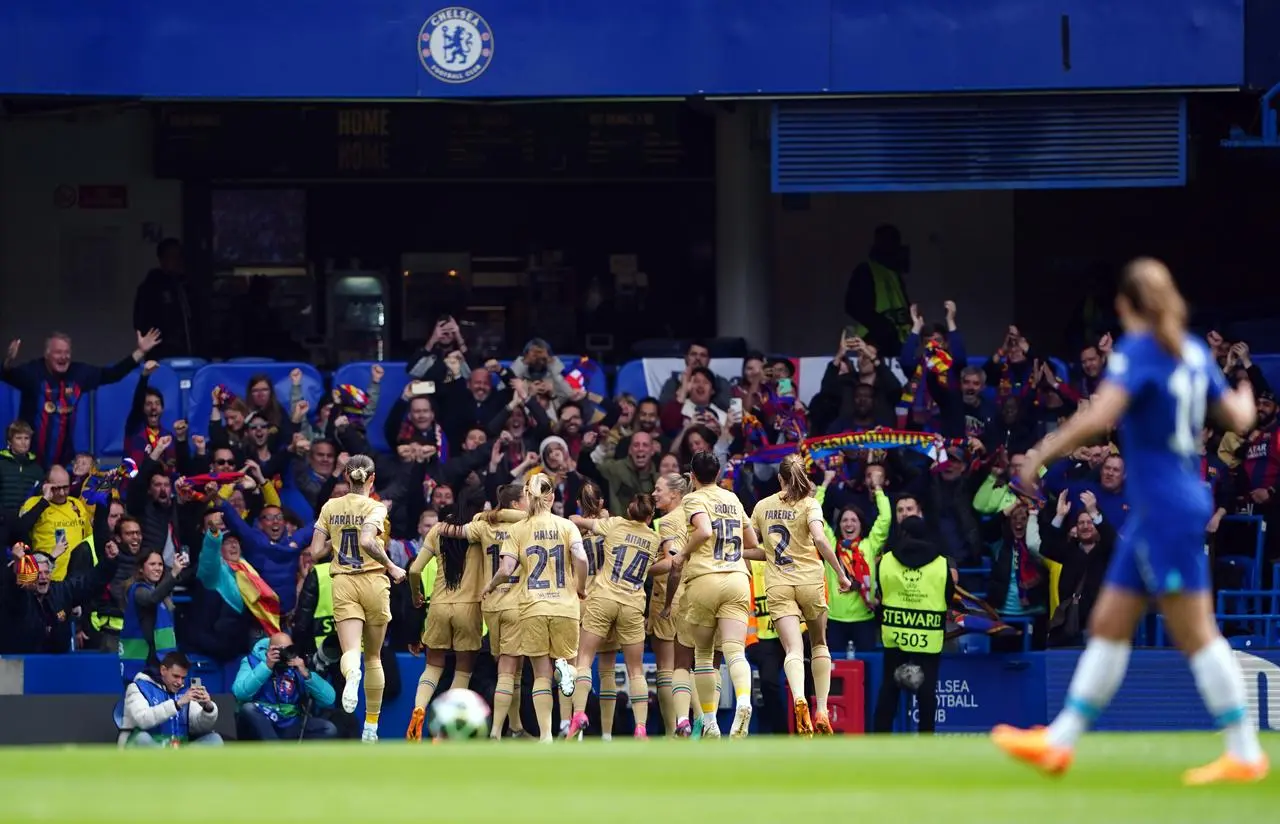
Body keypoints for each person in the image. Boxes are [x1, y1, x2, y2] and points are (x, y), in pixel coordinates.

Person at [995, 257, 1268, 785]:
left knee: (1195, 632)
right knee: (1108, 624)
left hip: (1165, 508)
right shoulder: (1190, 352)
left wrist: (1041, 452)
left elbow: (1100, 416)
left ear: (1126, 305)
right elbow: (1239, 417)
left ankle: (1243, 749)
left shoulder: (1141, 350)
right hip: (1163, 508)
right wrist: (1244, 384)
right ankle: (1061, 741)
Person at [750, 454, 852, 736]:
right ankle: (821, 710)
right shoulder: (810, 504)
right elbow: (819, 539)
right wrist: (841, 573)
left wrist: (734, 552)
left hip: (778, 583)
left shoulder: (762, 506)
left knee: (793, 649)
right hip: (809, 580)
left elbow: (758, 547)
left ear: (779, 478)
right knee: (818, 645)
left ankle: (798, 698)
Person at [307, 455, 407, 743]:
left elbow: (314, 553)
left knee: (350, 650)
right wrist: (391, 566)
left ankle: (352, 676)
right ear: (372, 479)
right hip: (374, 581)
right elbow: (366, 540)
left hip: (344, 582)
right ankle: (371, 727)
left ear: (346, 477)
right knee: (374, 657)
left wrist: (334, 539)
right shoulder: (376, 507)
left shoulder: (331, 506)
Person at [661, 450, 760, 738]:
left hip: (705, 579)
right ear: (717, 474)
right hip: (737, 578)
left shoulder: (694, 498)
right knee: (734, 650)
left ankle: (711, 722)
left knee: (703, 657)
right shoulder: (732, 498)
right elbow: (752, 542)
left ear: (692, 476)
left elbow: (703, 530)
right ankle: (743, 700)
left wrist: (682, 555)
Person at [483, 473, 589, 742]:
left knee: (540, 676)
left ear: (528, 497)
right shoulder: (567, 526)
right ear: (552, 496)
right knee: (571, 663)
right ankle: (564, 672)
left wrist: (490, 586)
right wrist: (581, 587)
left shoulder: (518, 530)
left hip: (532, 607)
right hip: (565, 606)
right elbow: (581, 558)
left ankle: (545, 736)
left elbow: (506, 569)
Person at [567, 492, 664, 739]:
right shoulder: (654, 539)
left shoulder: (615, 525)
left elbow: (576, 520)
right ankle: (641, 726)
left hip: (603, 599)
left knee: (585, 661)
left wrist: (590, 517)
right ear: (650, 516)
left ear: (628, 510)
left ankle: (578, 714)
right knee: (635, 671)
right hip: (632, 605)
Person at [403, 489, 491, 741]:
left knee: (432, 667)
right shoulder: (480, 530)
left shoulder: (437, 530)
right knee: (463, 670)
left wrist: (415, 595)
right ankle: (445, 726)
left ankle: (419, 710)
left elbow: (415, 570)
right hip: (469, 608)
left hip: (439, 606)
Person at [872, 515, 953, 734]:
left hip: (896, 635)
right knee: (927, 694)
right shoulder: (941, 563)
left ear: (903, 533)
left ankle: (880, 740)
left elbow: (879, 592)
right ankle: (926, 739)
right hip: (928, 638)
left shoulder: (886, 560)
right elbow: (948, 595)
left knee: (889, 689)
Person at [232, 633, 339, 741]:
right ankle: (277, 753)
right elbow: (240, 693)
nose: (286, 653)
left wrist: (306, 675)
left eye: (289, 649)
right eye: (282, 650)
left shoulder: (296, 665)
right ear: (270, 649)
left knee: (328, 729)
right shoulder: (252, 661)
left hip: (290, 721)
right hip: (264, 720)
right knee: (248, 709)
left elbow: (329, 699)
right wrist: (266, 667)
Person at [649, 472, 690, 736]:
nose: (654, 494)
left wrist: (639, 568)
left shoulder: (667, 521)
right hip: (694, 596)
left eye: (658, 489)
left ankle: (671, 732)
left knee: (667, 669)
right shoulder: (697, 513)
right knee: (689, 668)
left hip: (669, 599)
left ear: (674, 494)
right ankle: (697, 725)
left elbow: (671, 561)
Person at [121, 651, 222, 748]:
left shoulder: (184, 692)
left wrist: (208, 707)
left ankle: (176, 761)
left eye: (183, 678)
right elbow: (142, 720)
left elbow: (199, 726)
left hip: (178, 750)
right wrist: (176, 704)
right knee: (142, 739)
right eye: (176, 676)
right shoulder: (138, 687)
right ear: (163, 670)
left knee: (215, 740)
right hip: (151, 749)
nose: (179, 682)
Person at [119, 549, 185, 685]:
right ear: (141, 569)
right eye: (152, 564)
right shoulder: (138, 590)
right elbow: (151, 599)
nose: (157, 568)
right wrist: (173, 575)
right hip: (141, 664)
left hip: (159, 662)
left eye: (160, 564)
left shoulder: (160, 593)